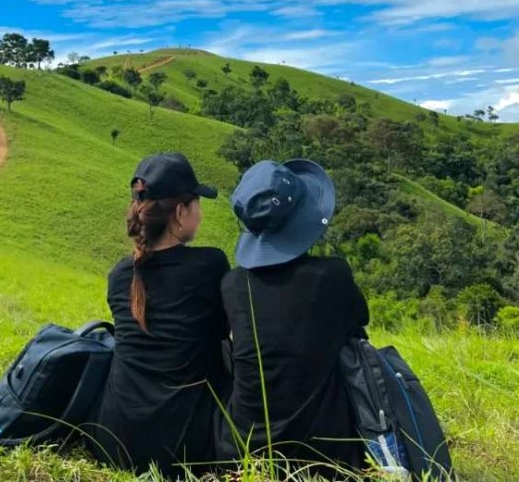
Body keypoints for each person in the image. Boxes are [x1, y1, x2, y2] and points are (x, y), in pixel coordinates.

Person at [215, 158, 369, 478]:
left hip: (242, 453)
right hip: (326, 458)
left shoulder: (233, 284)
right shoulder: (333, 277)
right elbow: (358, 322)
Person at [90, 152, 231, 477]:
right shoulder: (209, 265)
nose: (200, 212)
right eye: (197, 203)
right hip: (182, 450)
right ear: (180, 212)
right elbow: (223, 335)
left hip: (113, 440)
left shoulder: (120, 275)